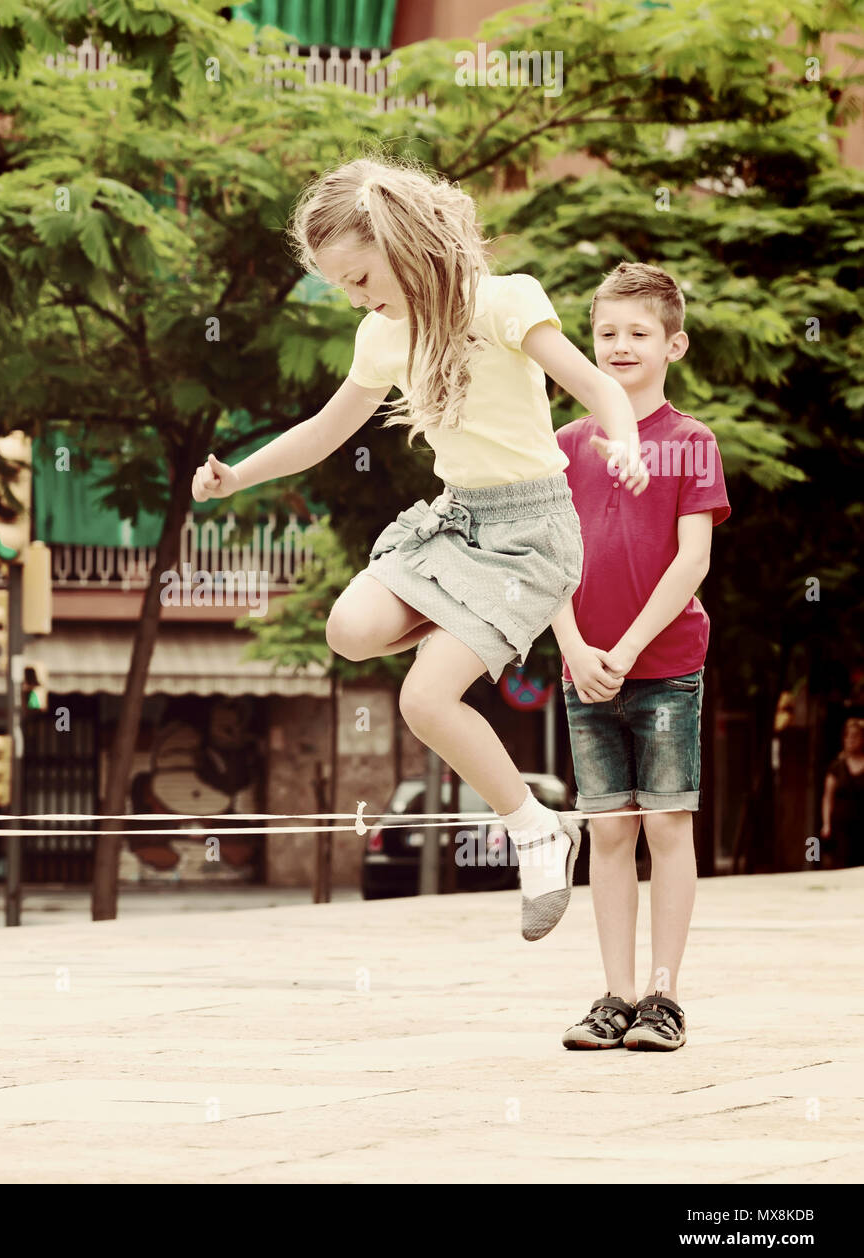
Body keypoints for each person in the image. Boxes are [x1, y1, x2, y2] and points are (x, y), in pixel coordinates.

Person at [191, 156, 648, 940]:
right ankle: (462, 629)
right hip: (456, 521)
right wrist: (240, 476)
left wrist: (628, 443)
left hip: (531, 534)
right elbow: (325, 432)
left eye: (361, 276)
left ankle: (537, 828)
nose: (359, 296)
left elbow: (598, 386)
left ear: (401, 240)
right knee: (349, 628)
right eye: (344, 287)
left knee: (424, 701)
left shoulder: (505, 302)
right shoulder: (381, 336)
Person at [553, 262, 730, 1052]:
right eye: (605, 333)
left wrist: (623, 649)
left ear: (674, 343)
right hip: (581, 665)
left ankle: (664, 996)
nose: (619, 346)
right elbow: (542, 556)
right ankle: (614, 995)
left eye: (637, 333)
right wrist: (572, 646)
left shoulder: (691, 443)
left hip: (664, 666)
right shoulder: (562, 444)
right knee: (609, 832)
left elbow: (691, 560)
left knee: (666, 824)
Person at [822, 717, 864, 869]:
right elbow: (828, 797)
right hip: (842, 827)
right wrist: (826, 824)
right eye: (848, 736)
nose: (851, 740)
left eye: (856, 736)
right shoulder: (837, 766)